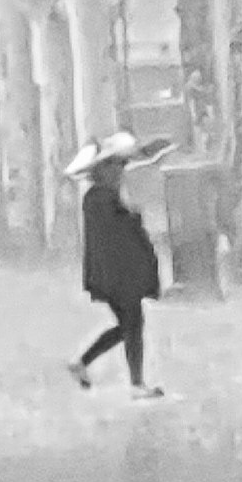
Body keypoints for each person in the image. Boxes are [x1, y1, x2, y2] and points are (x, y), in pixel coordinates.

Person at [65, 131, 164, 398]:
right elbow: (120, 237)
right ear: (103, 170)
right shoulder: (103, 199)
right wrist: (132, 216)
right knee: (132, 324)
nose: (122, 170)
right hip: (118, 275)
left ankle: (83, 363)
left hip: (112, 275)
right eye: (117, 165)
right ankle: (136, 383)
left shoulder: (100, 197)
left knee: (127, 326)